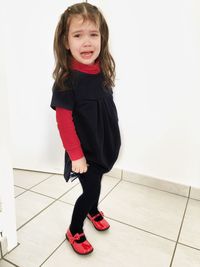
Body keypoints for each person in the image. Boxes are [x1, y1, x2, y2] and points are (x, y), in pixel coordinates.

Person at [50, 2, 121, 255]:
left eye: (93, 34)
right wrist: (76, 155)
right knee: (90, 190)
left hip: (102, 143)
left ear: (102, 37)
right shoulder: (67, 81)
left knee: (96, 184)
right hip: (84, 150)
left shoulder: (101, 70)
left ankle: (92, 210)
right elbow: (64, 122)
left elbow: (105, 108)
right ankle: (75, 229)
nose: (87, 42)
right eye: (78, 35)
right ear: (66, 42)